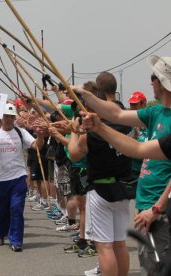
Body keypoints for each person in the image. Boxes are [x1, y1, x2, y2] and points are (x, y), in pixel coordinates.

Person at [72, 56, 171, 274]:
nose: (150, 81)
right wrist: (87, 96)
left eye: (153, 77)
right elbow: (120, 121)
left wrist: (157, 208)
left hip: (160, 208)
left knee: (159, 266)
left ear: (162, 82)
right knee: (150, 263)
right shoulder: (155, 112)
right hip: (146, 203)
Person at [69, 72, 133, 275]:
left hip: (100, 189)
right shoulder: (124, 124)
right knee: (120, 244)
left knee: (104, 246)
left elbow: (74, 154)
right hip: (122, 188)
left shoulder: (91, 133)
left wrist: (73, 130)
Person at [0, 103, 44, 252]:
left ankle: (16, 240)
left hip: (18, 177)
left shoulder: (21, 132)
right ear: (1, 117)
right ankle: (1, 233)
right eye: (6, 116)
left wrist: (40, 135)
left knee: (16, 209)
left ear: (14, 118)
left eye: (11, 117)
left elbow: (36, 146)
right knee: (3, 210)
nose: (8, 119)